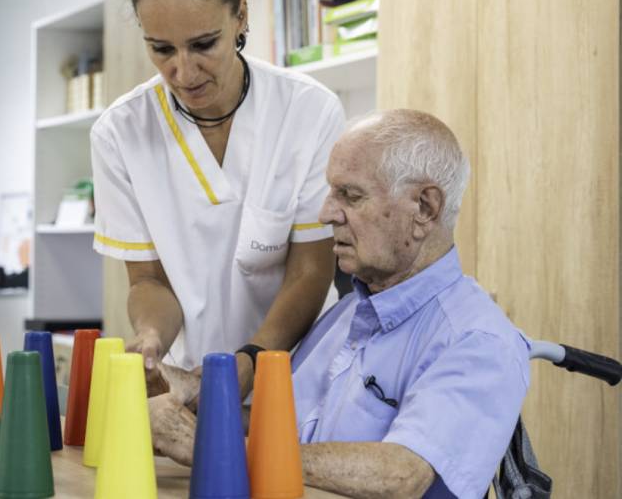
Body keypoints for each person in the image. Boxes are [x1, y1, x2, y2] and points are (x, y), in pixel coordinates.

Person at [147, 109, 531, 499]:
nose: (327, 213)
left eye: (350, 195)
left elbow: (402, 474)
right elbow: (292, 434)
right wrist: (199, 403)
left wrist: (212, 448)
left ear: (425, 209)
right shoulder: (344, 314)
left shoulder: (479, 341)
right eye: (332, 192)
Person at [91, 0, 345, 395]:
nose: (184, 73)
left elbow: (310, 272)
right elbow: (149, 282)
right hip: (193, 381)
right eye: (162, 49)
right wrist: (151, 336)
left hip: (298, 376)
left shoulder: (308, 111)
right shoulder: (120, 133)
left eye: (203, 44)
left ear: (240, 15)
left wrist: (251, 359)